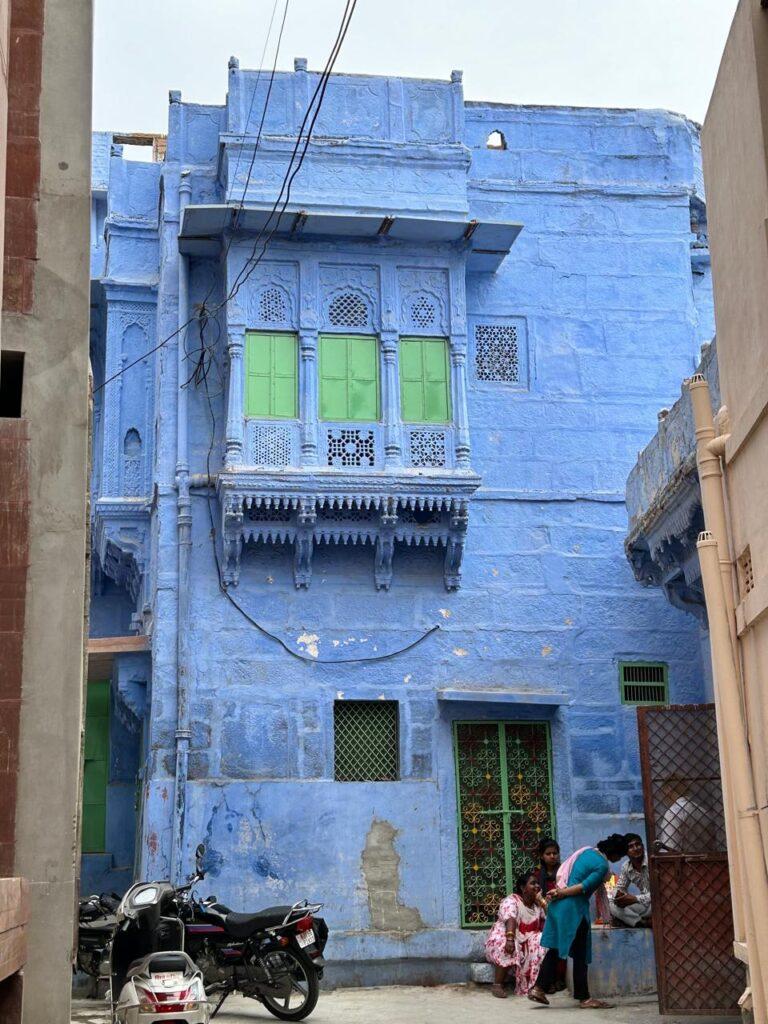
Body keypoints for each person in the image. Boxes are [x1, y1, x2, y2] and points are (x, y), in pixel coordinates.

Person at [528, 834, 629, 1009]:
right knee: (580, 953)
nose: (618, 859)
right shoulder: (602, 864)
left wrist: (560, 893)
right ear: (614, 853)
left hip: (561, 906)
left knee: (557, 948)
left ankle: (539, 988)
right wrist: (562, 893)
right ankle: (584, 998)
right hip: (574, 909)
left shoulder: (587, 851)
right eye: (619, 856)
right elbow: (584, 887)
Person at [485, 871, 547, 998]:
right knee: (509, 943)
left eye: (538, 884)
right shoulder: (511, 901)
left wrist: (542, 901)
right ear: (523, 888)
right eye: (532, 883)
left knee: (542, 940)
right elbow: (510, 920)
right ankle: (497, 985)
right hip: (503, 940)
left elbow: (552, 917)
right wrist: (510, 939)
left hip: (524, 946)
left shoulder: (537, 907)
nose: (537, 886)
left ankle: (534, 986)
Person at [536, 838, 567, 993]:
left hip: (560, 913)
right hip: (542, 915)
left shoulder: (563, 873)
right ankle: (547, 981)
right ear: (542, 856)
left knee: (559, 944)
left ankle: (558, 979)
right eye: (548, 853)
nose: (552, 856)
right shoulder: (537, 875)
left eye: (555, 853)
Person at [610, 833, 652, 928]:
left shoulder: (651, 861)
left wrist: (635, 899)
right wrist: (619, 896)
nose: (636, 848)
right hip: (643, 906)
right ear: (626, 852)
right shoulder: (626, 867)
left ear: (642, 846)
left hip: (657, 904)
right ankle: (642, 923)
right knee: (612, 905)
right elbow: (620, 887)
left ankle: (628, 921)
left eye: (638, 844)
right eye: (631, 847)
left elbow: (661, 893)